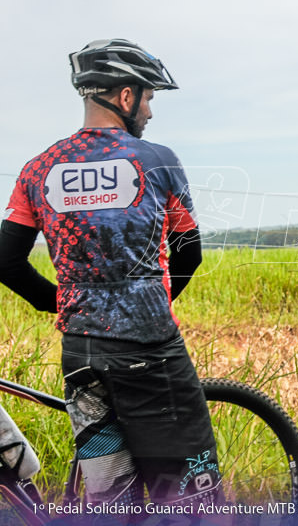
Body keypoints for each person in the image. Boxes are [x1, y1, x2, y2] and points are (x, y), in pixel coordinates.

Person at [0, 39, 219, 514]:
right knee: (191, 494)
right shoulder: (156, 159)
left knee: (110, 500)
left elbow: (7, 262)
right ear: (125, 97)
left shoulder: (37, 169)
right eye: (149, 98)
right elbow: (190, 252)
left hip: (81, 354)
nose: (150, 112)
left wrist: (60, 302)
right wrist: (155, 302)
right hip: (150, 352)